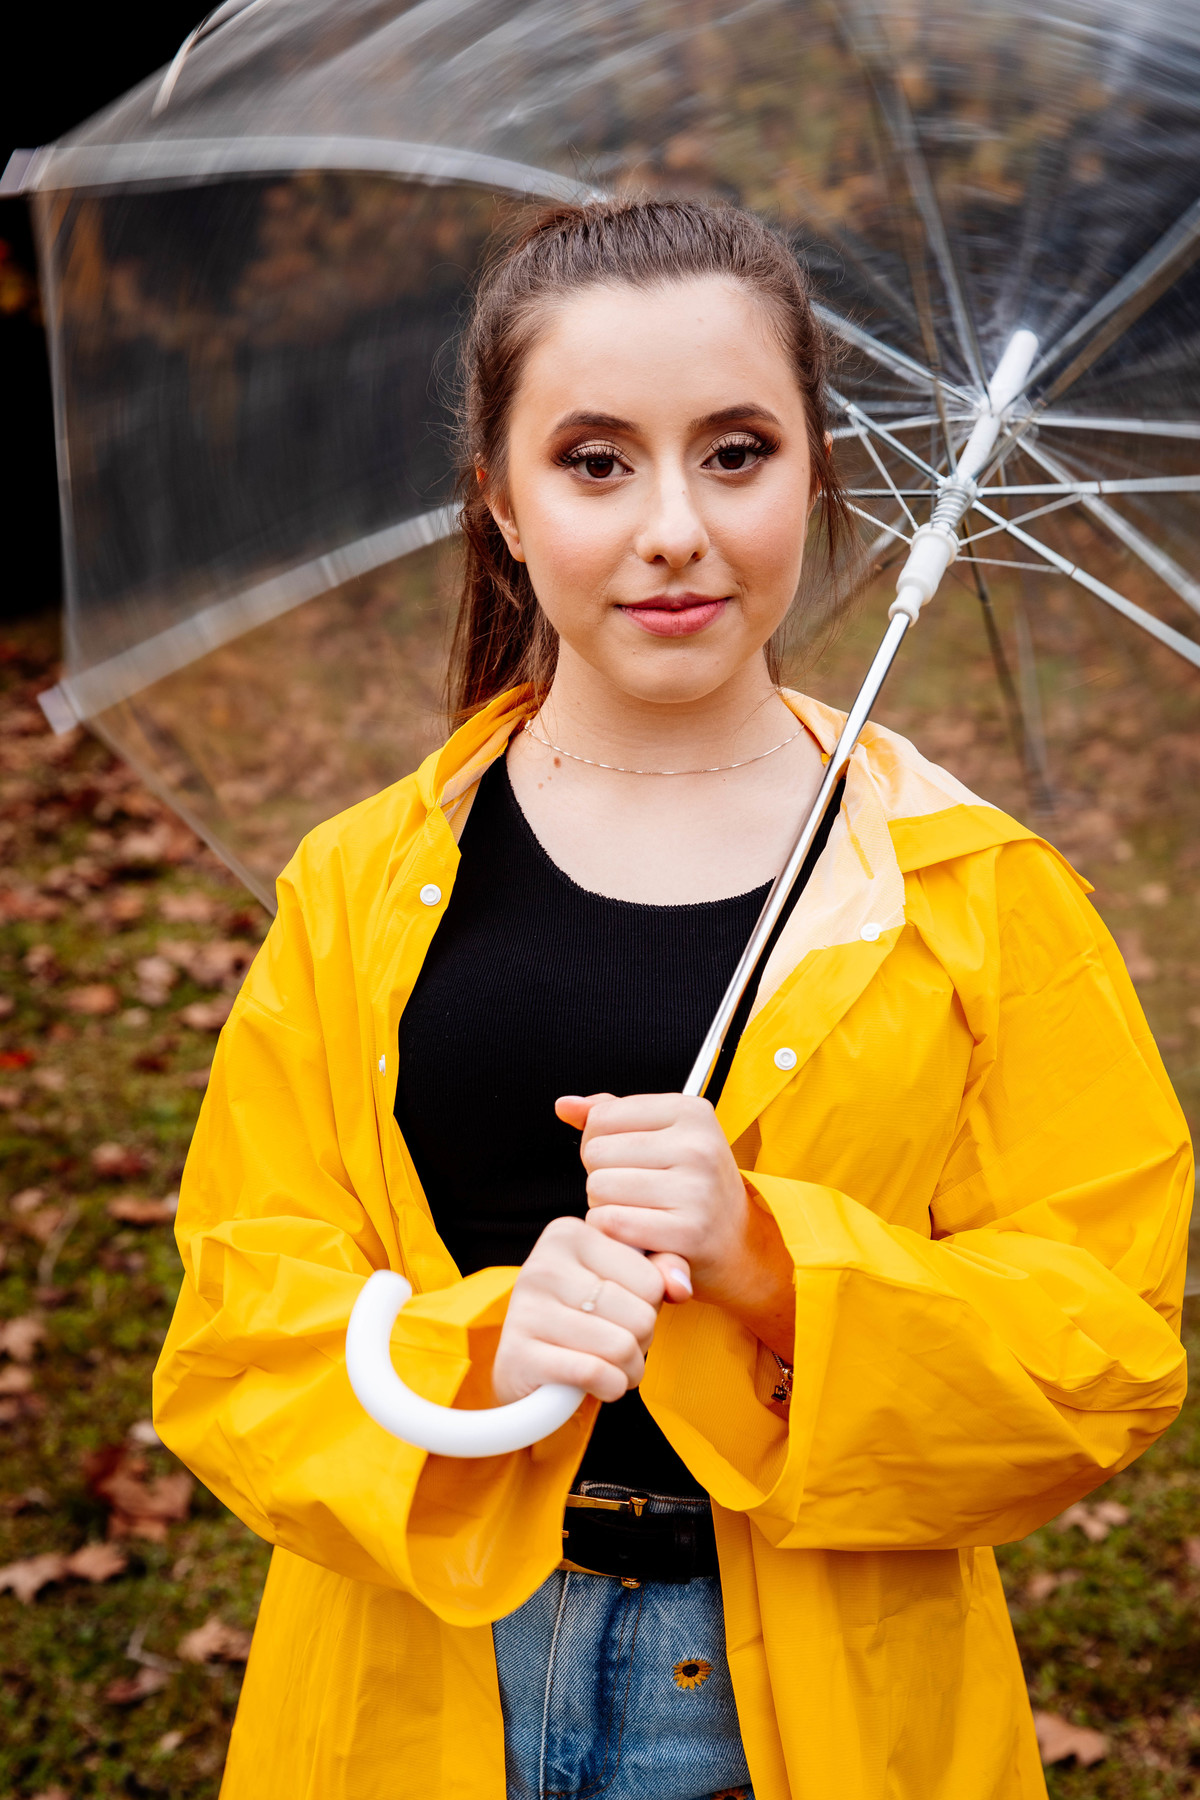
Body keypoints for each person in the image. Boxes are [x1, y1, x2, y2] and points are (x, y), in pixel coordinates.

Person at [153, 198, 1192, 1800]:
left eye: (733, 451)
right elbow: (237, 1331)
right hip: (413, 1693)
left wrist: (772, 1265)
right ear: (498, 502)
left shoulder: (976, 898)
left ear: (815, 469)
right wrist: (487, 1354)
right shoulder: (359, 886)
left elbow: (1104, 1349)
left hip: (816, 1712)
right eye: (594, 461)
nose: (674, 529)